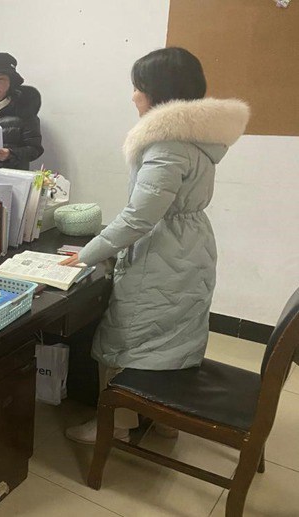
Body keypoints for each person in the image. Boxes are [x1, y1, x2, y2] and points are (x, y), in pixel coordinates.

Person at [62, 48, 250, 444]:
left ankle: (119, 422)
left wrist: (87, 254)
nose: (133, 95)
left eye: (138, 87)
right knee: (174, 336)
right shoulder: (196, 137)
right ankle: (166, 419)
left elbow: (139, 217)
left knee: (130, 336)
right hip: (190, 247)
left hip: (162, 254)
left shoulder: (167, 145)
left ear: (157, 92)